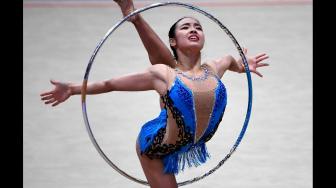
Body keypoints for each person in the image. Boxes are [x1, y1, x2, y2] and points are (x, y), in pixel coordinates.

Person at [40, 0, 269, 187]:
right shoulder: (161, 74)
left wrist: (241, 66)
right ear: (173, 40)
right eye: (186, 27)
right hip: (157, 146)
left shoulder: (215, 67)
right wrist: (72, 89)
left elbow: (231, 61)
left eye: (198, 27)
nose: (193, 29)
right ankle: (134, 16)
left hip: (185, 139)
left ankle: (135, 17)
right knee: (173, 74)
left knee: (178, 74)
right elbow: (109, 84)